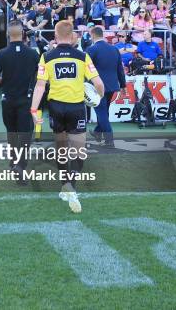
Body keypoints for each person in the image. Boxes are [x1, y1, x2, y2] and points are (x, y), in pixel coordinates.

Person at [30, 21, 104, 214]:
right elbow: (98, 83)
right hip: (76, 107)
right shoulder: (82, 56)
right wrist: (99, 96)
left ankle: (66, 186)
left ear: (55, 35)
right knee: (79, 150)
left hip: (56, 107)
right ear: (72, 36)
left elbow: (39, 86)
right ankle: (72, 184)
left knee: (61, 148)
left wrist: (33, 110)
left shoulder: (46, 57)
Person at [0, 21, 40, 183]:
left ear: (8, 34)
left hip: (7, 99)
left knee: (11, 133)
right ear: (23, 34)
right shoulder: (33, 54)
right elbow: (40, 77)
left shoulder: (2, 54)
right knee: (25, 135)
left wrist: (4, 80)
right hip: (26, 99)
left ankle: (14, 162)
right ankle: (20, 166)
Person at [86, 26, 127, 148]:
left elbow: (86, 68)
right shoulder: (114, 49)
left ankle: (109, 141)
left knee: (102, 113)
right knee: (104, 111)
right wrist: (123, 85)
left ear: (93, 35)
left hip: (97, 87)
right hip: (112, 86)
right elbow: (120, 69)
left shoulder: (91, 49)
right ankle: (98, 133)